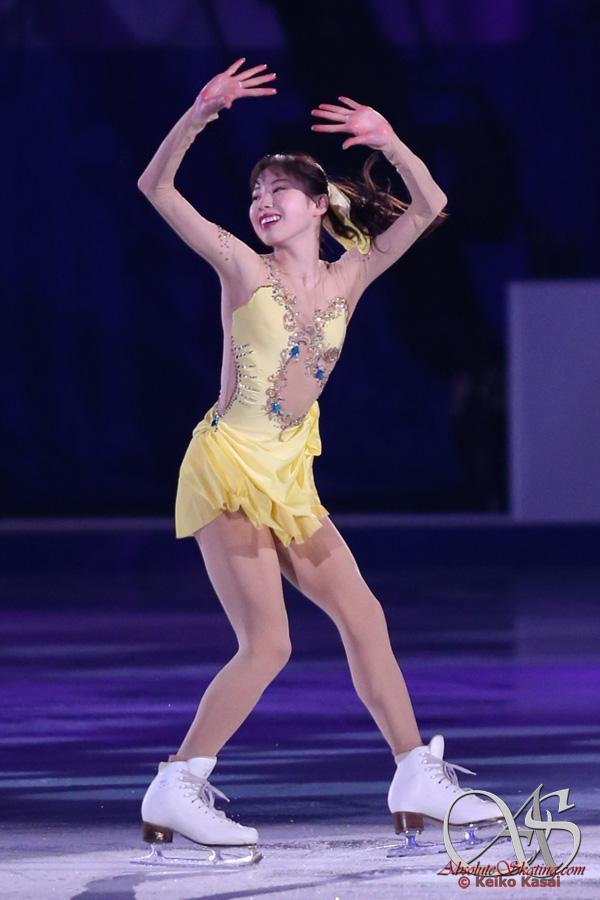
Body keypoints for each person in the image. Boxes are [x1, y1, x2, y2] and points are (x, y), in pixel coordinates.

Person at [136, 59, 500, 864]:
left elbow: (430, 205)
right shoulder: (242, 266)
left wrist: (390, 139)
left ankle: (413, 774)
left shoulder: (349, 276)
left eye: (278, 191)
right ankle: (178, 780)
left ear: (316, 205)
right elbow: (156, 189)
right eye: (255, 193)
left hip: (290, 476)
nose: (262, 202)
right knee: (268, 644)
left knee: (363, 615)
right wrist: (198, 114)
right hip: (231, 465)